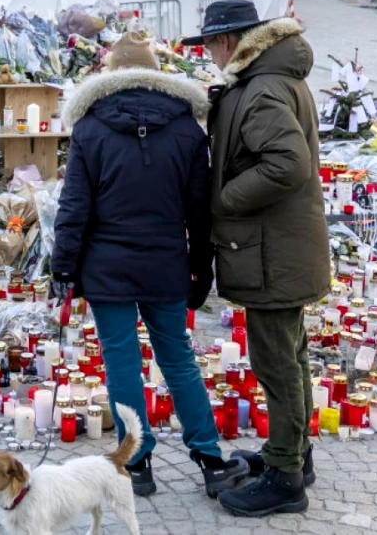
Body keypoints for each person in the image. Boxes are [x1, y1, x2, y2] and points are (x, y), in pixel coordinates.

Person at [51, 30, 247, 499]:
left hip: (107, 266)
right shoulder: (185, 128)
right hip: (165, 263)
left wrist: (63, 269)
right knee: (177, 357)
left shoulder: (91, 127)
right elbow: (199, 212)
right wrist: (202, 268)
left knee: (121, 359)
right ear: (155, 75)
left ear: (112, 75)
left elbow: (74, 206)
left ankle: (136, 463)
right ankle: (209, 458)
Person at [184, 0, 329, 519]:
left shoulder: (264, 87)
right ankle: (291, 456)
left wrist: (223, 199)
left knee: (277, 364)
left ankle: (286, 479)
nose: (207, 54)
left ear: (230, 42)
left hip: (273, 251)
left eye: (208, 44)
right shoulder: (268, 78)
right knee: (290, 356)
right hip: (279, 246)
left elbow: (289, 164)